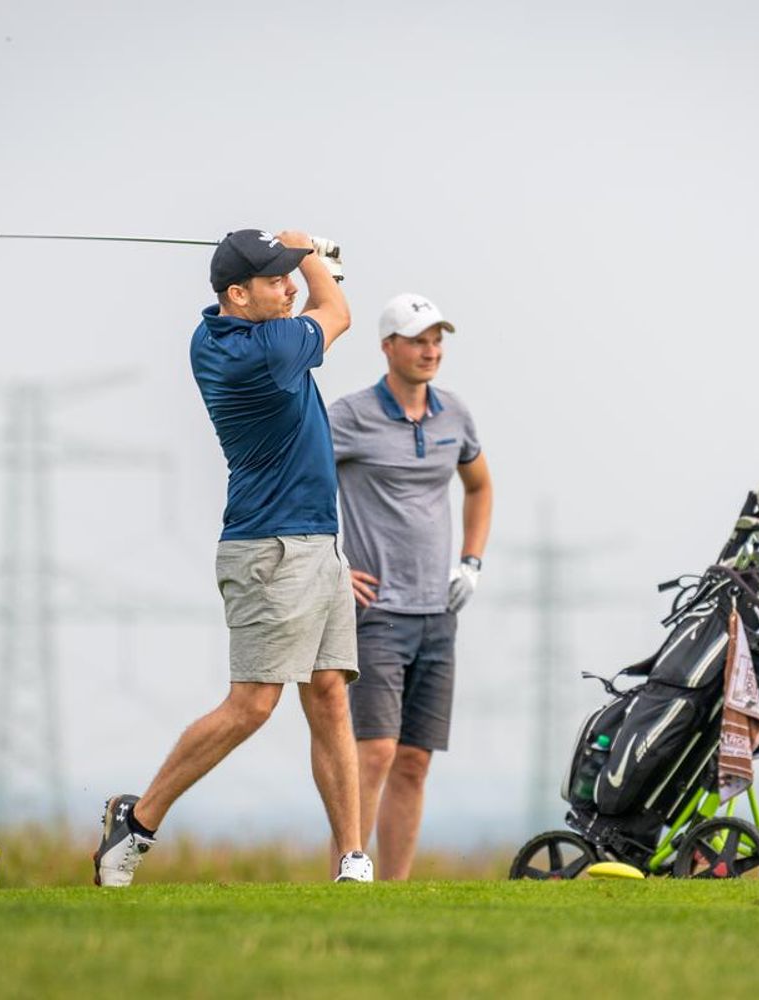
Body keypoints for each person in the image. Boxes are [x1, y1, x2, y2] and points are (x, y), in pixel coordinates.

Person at [94, 228, 373, 886]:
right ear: (238, 295)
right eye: (276, 280)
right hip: (270, 550)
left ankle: (352, 859)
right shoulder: (266, 352)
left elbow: (314, 307)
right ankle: (138, 822)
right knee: (252, 704)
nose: (290, 288)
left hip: (315, 539)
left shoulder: (216, 334)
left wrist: (300, 262)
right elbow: (337, 313)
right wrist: (313, 255)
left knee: (329, 695)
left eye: (288, 277)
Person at [328, 292, 493, 880]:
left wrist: (471, 562)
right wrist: (331, 565)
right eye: (418, 340)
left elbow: (479, 486)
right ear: (388, 347)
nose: (431, 351)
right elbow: (299, 480)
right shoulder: (350, 416)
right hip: (377, 612)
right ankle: (349, 876)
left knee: (415, 760)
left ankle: (396, 890)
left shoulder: (454, 415)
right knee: (374, 751)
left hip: (437, 613)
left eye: (437, 340)